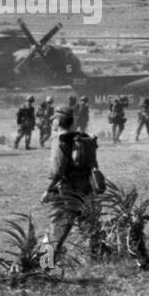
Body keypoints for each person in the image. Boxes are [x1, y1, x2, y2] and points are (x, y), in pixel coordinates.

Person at [41, 106, 102, 265]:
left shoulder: (60, 139)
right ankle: (96, 261)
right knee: (89, 227)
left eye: (53, 119)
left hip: (67, 191)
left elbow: (57, 171)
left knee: (56, 228)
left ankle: (45, 263)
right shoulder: (81, 137)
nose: (52, 122)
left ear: (58, 121)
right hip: (86, 189)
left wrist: (48, 190)